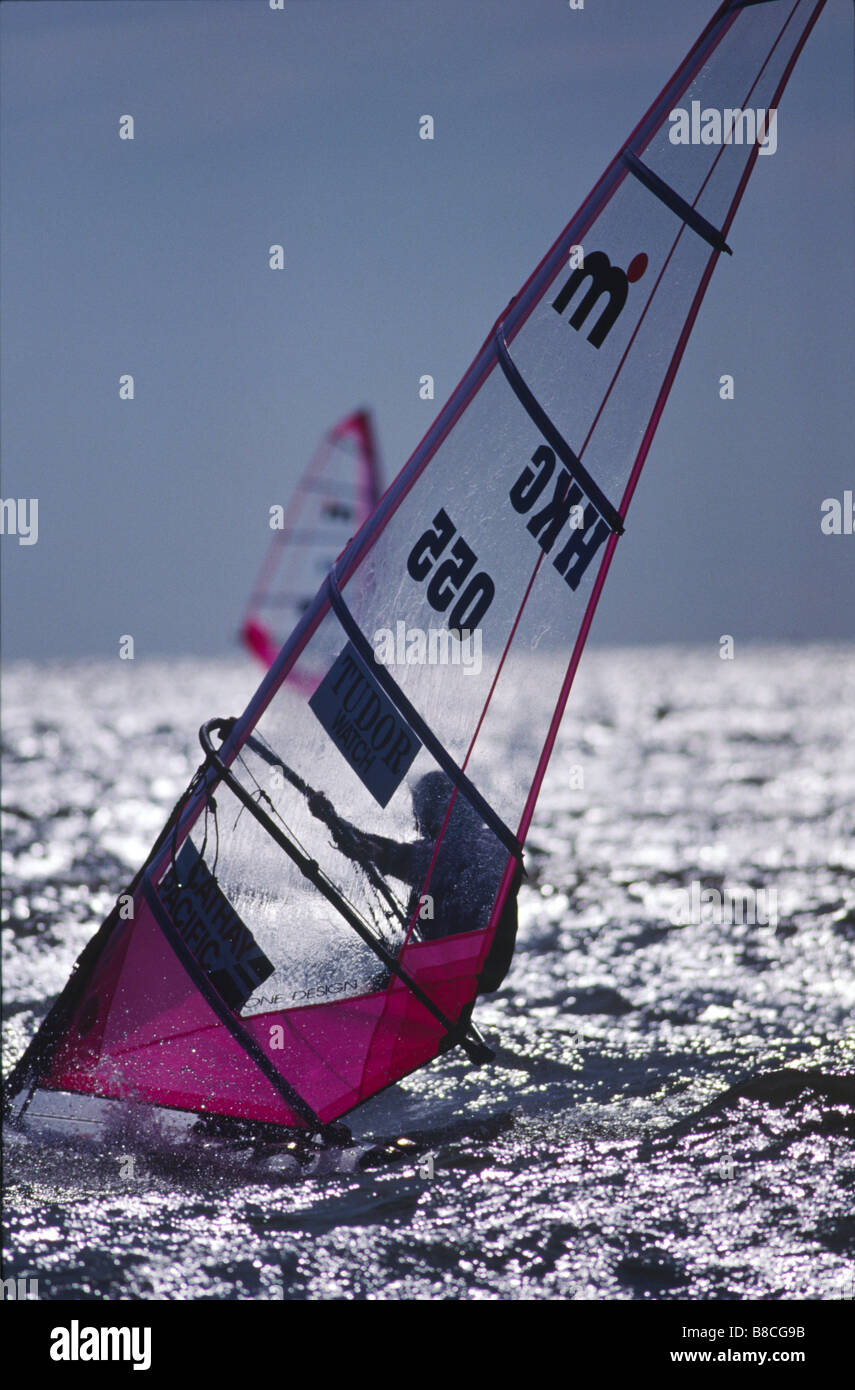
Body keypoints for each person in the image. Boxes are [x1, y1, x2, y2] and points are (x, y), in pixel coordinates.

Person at [306, 771, 522, 995]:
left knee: (370, 992)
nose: (417, 825)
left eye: (420, 815)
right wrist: (333, 821)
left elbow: (421, 860)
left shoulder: (489, 848)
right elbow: (407, 856)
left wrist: (379, 854)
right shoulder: (453, 850)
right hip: (446, 965)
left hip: (468, 968)